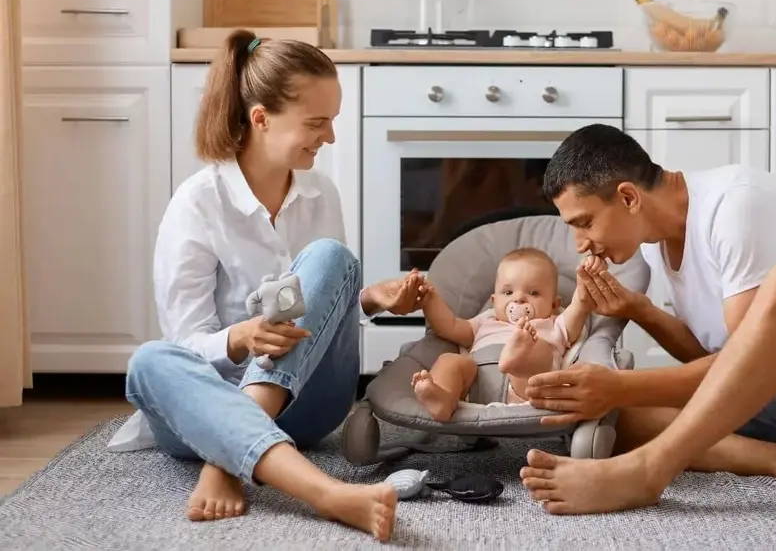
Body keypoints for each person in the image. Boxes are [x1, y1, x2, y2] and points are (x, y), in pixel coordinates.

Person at [118, 30, 428, 541]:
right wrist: (242, 337)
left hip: (307, 407)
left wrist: (368, 298)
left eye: (332, 121)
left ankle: (226, 461)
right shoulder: (197, 203)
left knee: (331, 256)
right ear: (260, 118)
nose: (329, 137)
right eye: (316, 122)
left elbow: (323, 316)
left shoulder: (320, 192)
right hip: (204, 411)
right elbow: (188, 344)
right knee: (150, 361)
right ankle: (326, 493)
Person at [518, 123, 776, 515]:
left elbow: (754, 364)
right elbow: (729, 362)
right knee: (614, 417)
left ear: (628, 197)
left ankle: (649, 470)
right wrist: (638, 311)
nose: (581, 244)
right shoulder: (655, 246)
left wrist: (622, 385)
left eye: (585, 222)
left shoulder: (736, 204)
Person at [411, 248, 595, 420]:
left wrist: (584, 287)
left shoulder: (554, 323)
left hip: (528, 390)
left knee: (538, 351)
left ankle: (519, 357)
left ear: (554, 304)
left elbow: (578, 309)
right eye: (508, 292)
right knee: (450, 360)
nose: (519, 298)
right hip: (477, 386)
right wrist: (429, 301)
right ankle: (441, 397)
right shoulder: (485, 320)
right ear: (494, 301)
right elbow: (449, 326)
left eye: (533, 293)